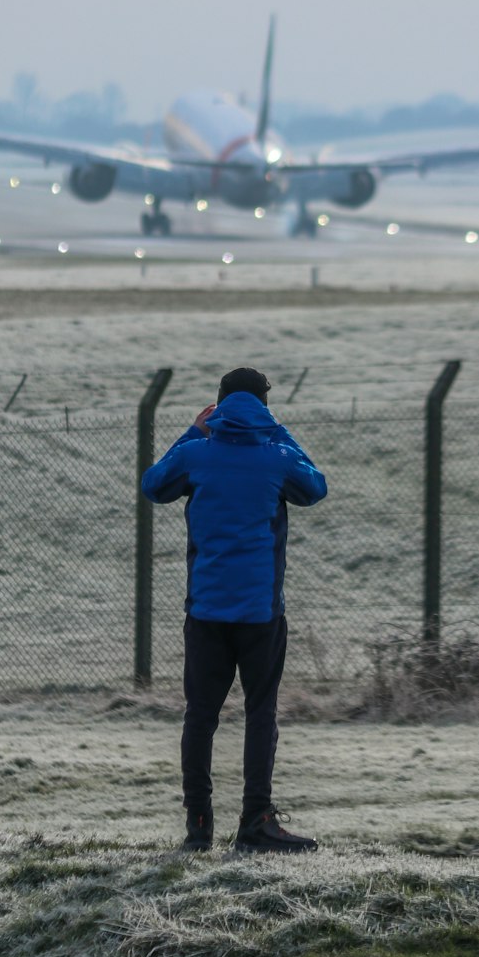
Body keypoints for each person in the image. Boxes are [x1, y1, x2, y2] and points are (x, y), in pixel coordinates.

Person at [141, 366, 327, 854]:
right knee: (260, 713)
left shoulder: (197, 454)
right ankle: (256, 823)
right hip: (261, 613)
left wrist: (191, 431)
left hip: (205, 610)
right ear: (264, 405)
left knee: (200, 716)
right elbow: (315, 488)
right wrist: (278, 430)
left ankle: (198, 826)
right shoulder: (276, 456)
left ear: (219, 404)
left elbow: (154, 485)